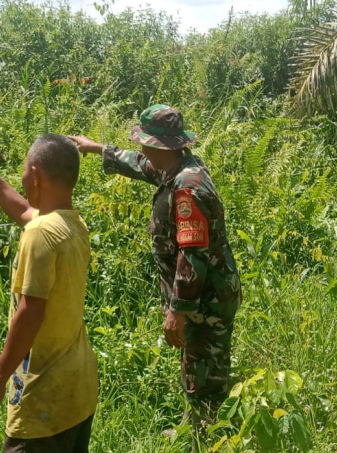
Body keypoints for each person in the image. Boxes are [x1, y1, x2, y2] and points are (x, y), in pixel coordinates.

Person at [70, 105, 242, 435]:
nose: (141, 147)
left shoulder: (187, 188)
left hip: (206, 299)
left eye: (145, 142)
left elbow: (192, 255)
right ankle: (197, 425)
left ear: (160, 146)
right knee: (196, 362)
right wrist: (97, 148)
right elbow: (141, 165)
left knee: (205, 371)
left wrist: (178, 310)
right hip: (201, 297)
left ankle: (207, 435)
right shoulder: (175, 167)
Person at [0, 134, 98, 453]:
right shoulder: (72, 223)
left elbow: (31, 313)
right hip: (78, 389)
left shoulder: (40, 234)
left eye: (23, 170)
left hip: (44, 396)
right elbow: (23, 211)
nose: (22, 177)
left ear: (35, 174)